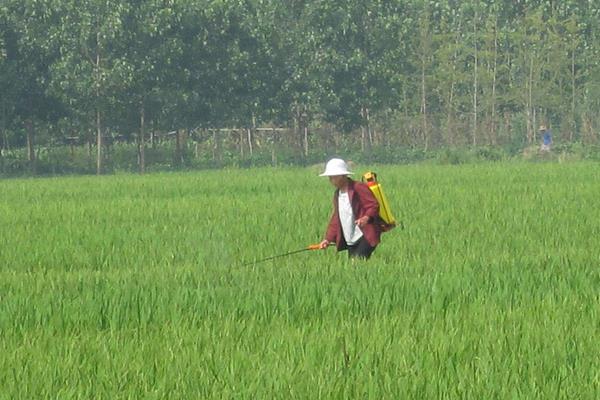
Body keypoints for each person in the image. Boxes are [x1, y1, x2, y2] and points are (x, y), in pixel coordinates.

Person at [318, 158, 382, 260]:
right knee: (354, 268)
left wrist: (366, 218)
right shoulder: (337, 194)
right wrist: (328, 239)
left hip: (365, 235)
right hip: (350, 238)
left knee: (357, 263)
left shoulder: (358, 187)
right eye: (329, 177)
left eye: (333, 177)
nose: (331, 180)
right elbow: (337, 217)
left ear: (343, 175)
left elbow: (373, 205)